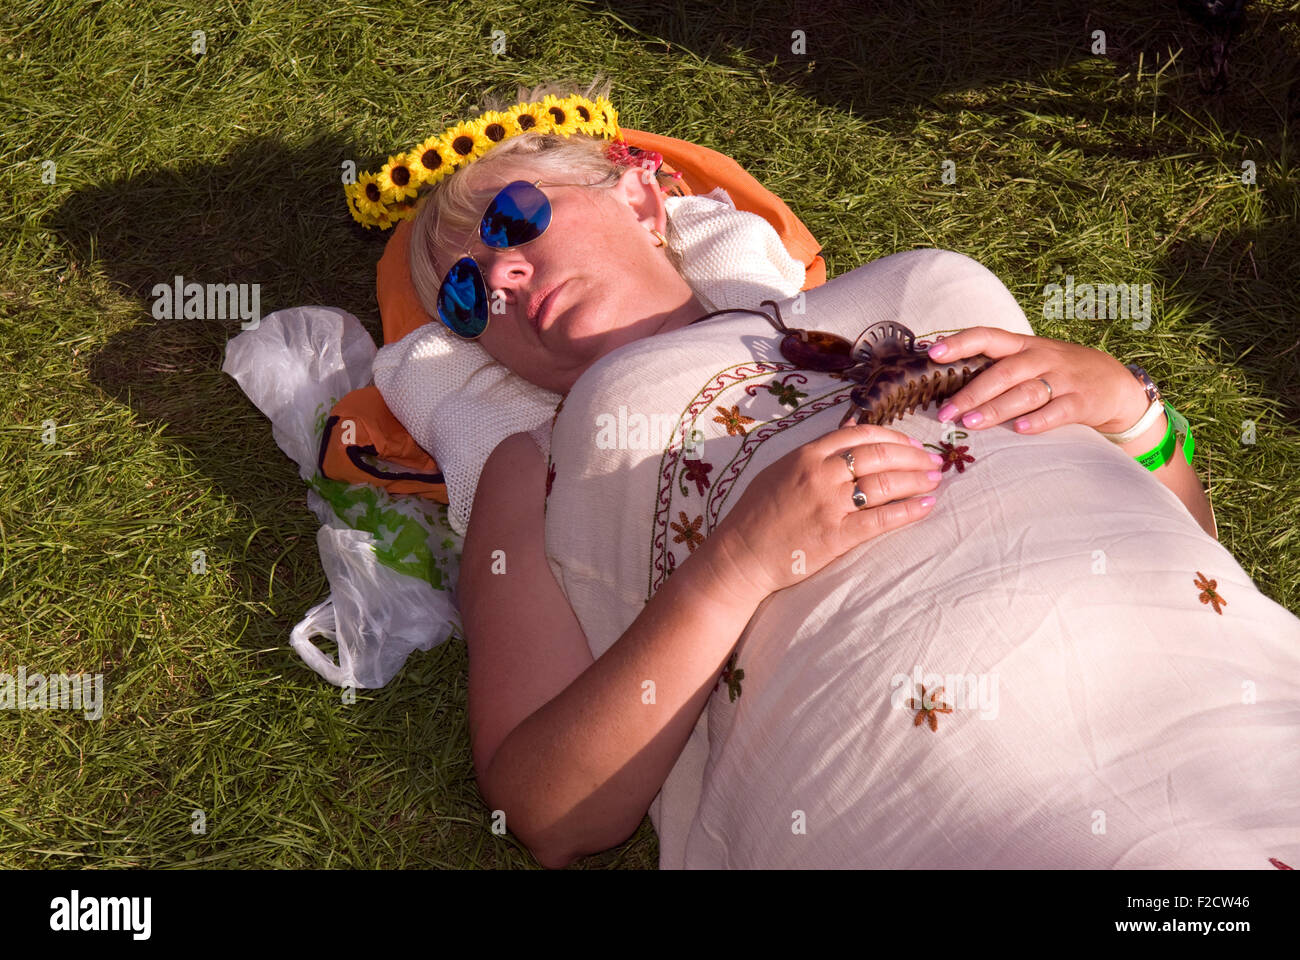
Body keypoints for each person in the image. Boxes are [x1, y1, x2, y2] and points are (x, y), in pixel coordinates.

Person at [382, 81, 1300, 869]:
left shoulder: (913, 290)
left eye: (517, 219)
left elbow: (1191, 554)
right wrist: (737, 563)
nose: (502, 272)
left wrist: (1134, 414)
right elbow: (548, 811)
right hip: (931, 775)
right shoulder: (536, 462)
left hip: (1208, 689)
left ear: (642, 200)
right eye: (468, 297)